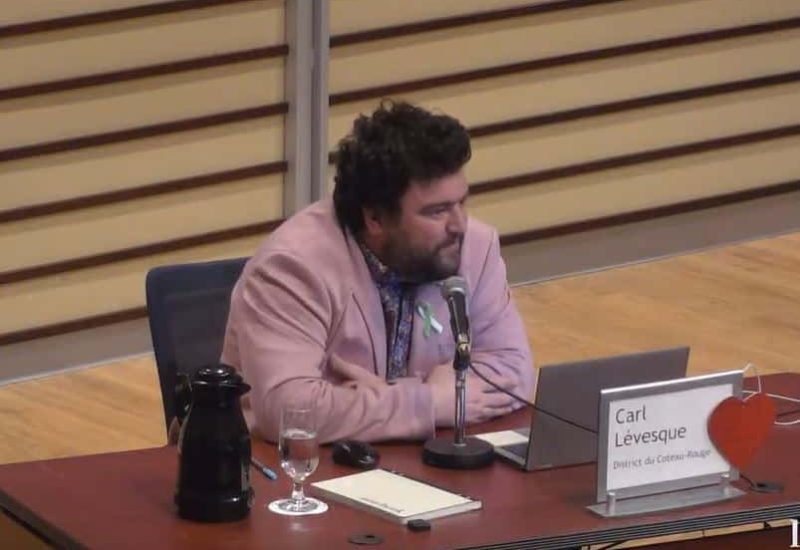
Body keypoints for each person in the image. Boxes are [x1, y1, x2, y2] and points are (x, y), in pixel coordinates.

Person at [222, 100, 534, 443]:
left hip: (417, 458)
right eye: (437, 211)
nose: (459, 225)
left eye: (462, 202)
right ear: (375, 217)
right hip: (303, 465)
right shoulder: (293, 268)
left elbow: (514, 372)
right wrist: (427, 402)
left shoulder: (474, 247)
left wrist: (385, 397)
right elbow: (288, 410)